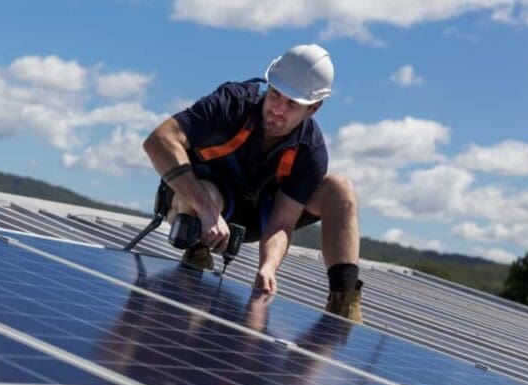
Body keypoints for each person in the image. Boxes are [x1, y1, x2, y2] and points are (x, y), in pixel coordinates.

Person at [142, 44, 363, 323]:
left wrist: (268, 267)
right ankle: (196, 253)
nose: (277, 110)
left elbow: (282, 223)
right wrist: (207, 210)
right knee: (208, 194)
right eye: (275, 95)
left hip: (260, 216)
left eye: (292, 104)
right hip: (201, 203)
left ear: (314, 108)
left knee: (340, 190)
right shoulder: (232, 103)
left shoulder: (310, 151)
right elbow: (158, 140)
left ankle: (343, 306)